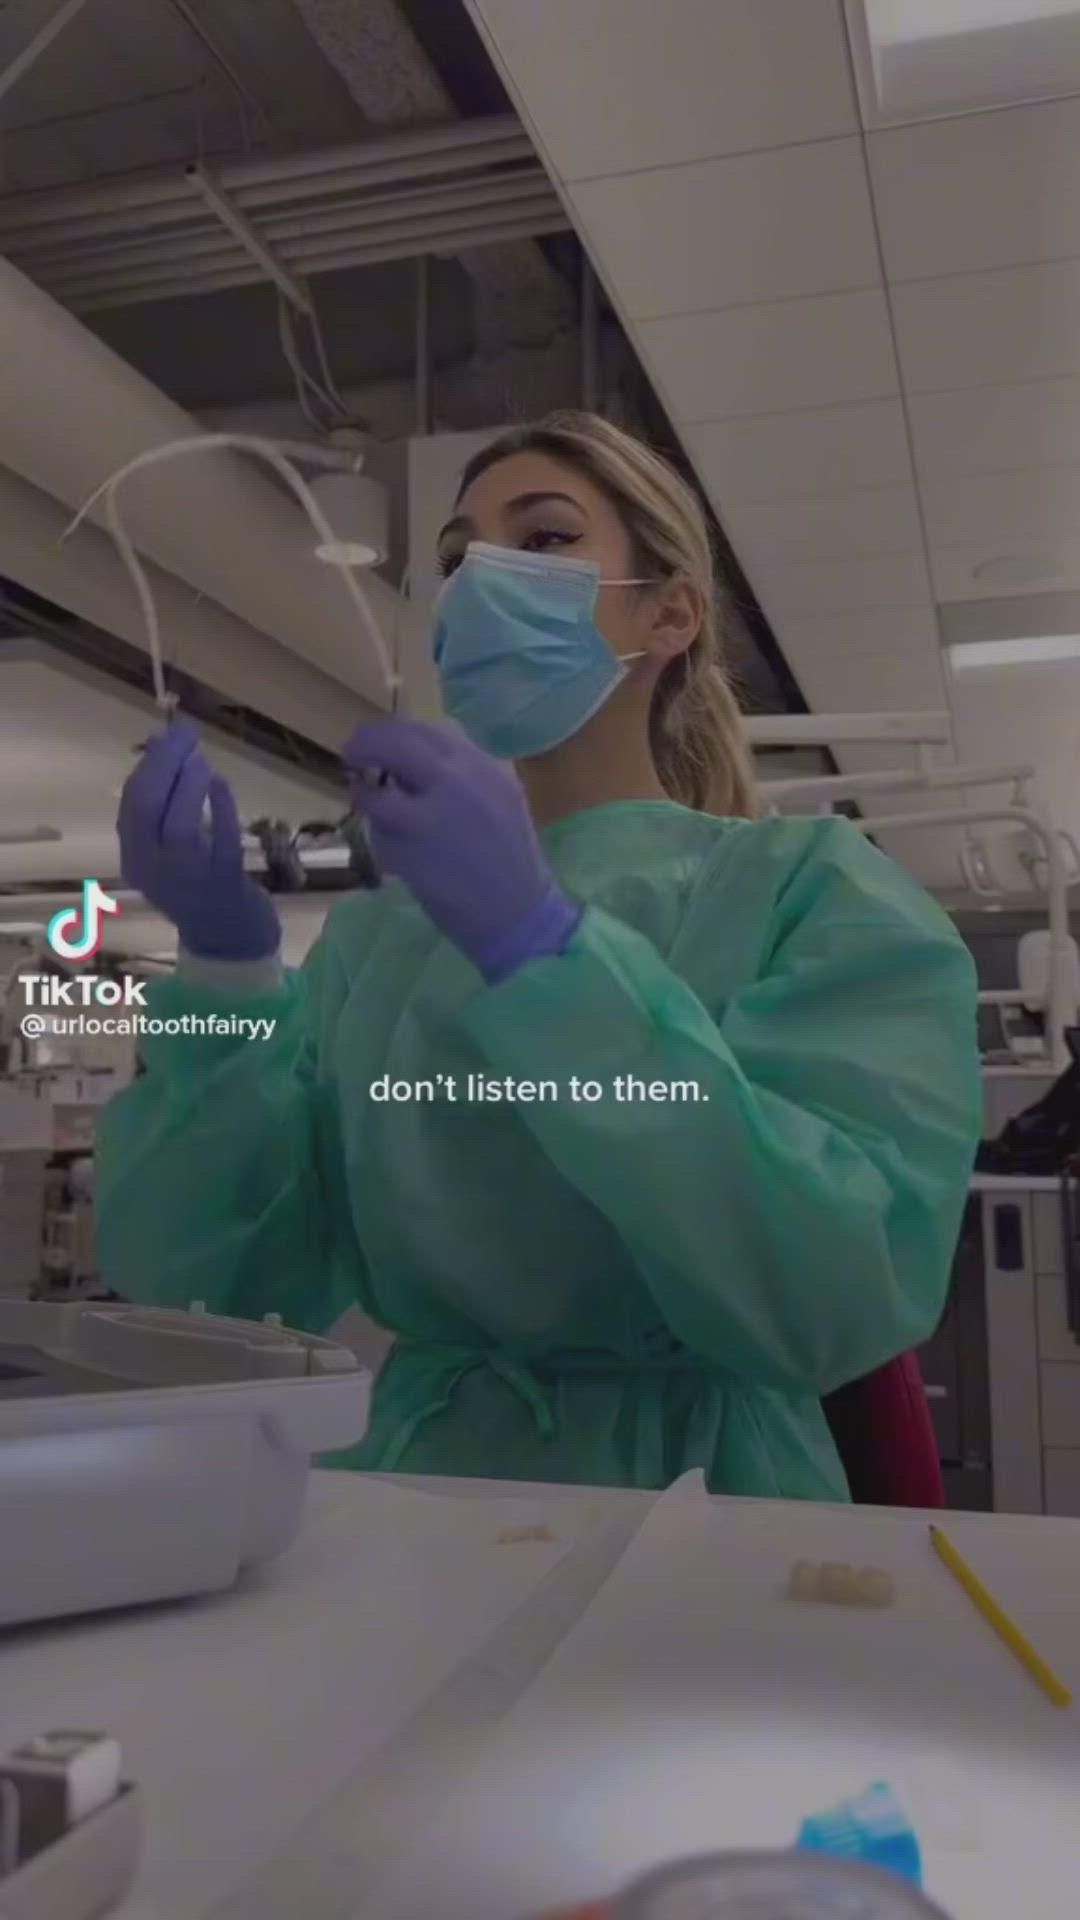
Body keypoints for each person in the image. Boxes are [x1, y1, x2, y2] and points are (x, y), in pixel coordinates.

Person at [95, 411, 981, 1497]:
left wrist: (543, 952)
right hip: (417, 1503)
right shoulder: (380, 935)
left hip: (706, 1511)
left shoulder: (817, 893)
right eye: (459, 557)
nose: (478, 582)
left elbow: (834, 1296)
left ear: (671, 613)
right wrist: (225, 976)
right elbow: (213, 1282)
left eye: (547, 538)